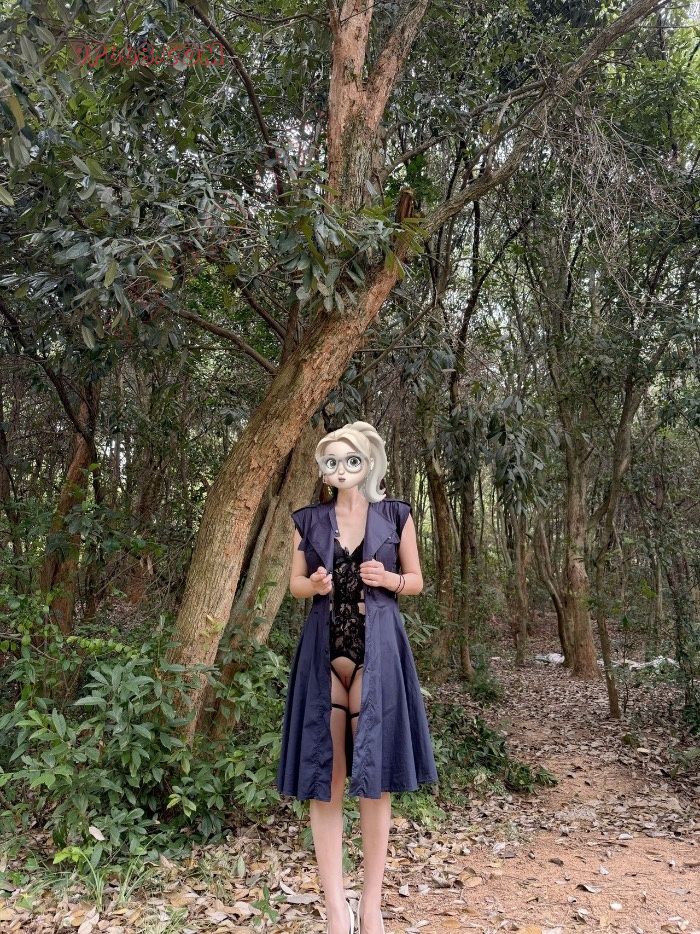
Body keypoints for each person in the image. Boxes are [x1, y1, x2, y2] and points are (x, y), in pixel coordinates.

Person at [276, 421, 438, 934]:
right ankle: (335, 909)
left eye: (351, 460)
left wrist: (390, 579)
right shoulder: (308, 520)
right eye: (331, 462)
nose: (341, 469)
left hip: (378, 650)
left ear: (368, 463)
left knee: (373, 776)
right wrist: (314, 585)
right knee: (326, 781)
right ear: (323, 470)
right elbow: (294, 585)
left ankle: (371, 905)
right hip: (324, 651)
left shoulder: (397, 514)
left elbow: (416, 580)